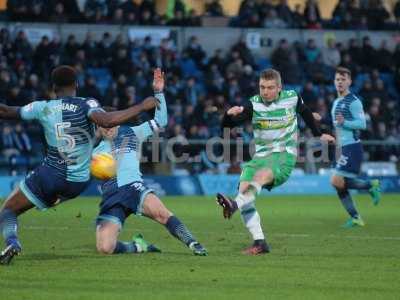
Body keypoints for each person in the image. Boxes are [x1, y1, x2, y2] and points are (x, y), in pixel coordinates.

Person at [0, 65, 159, 265]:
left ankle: (13, 242)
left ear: (53, 87)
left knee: (8, 210)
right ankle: (54, 199)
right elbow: (107, 120)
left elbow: (5, 111)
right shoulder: (87, 104)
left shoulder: (42, 107)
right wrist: (141, 106)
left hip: (50, 175)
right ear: (76, 84)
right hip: (78, 182)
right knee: (57, 189)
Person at [216, 68, 335, 255]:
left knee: (262, 176)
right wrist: (227, 115)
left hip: (284, 155)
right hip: (260, 156)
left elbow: (305, 113)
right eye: (262, 87)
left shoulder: (292, 97)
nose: (265, 91)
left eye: (270, 87)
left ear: (279, 88)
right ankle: (260, 242)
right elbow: (226, 127)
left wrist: (319, 134)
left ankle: (233, 205)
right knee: (244, 190)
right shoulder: (253, 104)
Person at [94, 68, 207, 256]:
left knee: (162, 214)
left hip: (134, 188)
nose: (108, 128)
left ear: (117, 122)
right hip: (112, 197)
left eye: (111, 123)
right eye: (104, 126)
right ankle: (139, 246)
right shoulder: (96, 152)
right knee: (105, 248)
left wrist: (158, 92)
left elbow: (161, 120)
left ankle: (193, 243)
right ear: (99, 127)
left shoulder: (131, 132)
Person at [330, 67, 381, 228]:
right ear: (334, 81)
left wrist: (345, 122)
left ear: (349, 82)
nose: (340, 82)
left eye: (343, 79)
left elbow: (362, 124)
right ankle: (356, 217)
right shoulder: (336, 102)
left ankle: (370, 185)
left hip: (351, 147)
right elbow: (337, 126)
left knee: (336, 180)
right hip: (340, 147)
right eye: (338, 79)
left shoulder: (354, 101)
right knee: (338, 183)